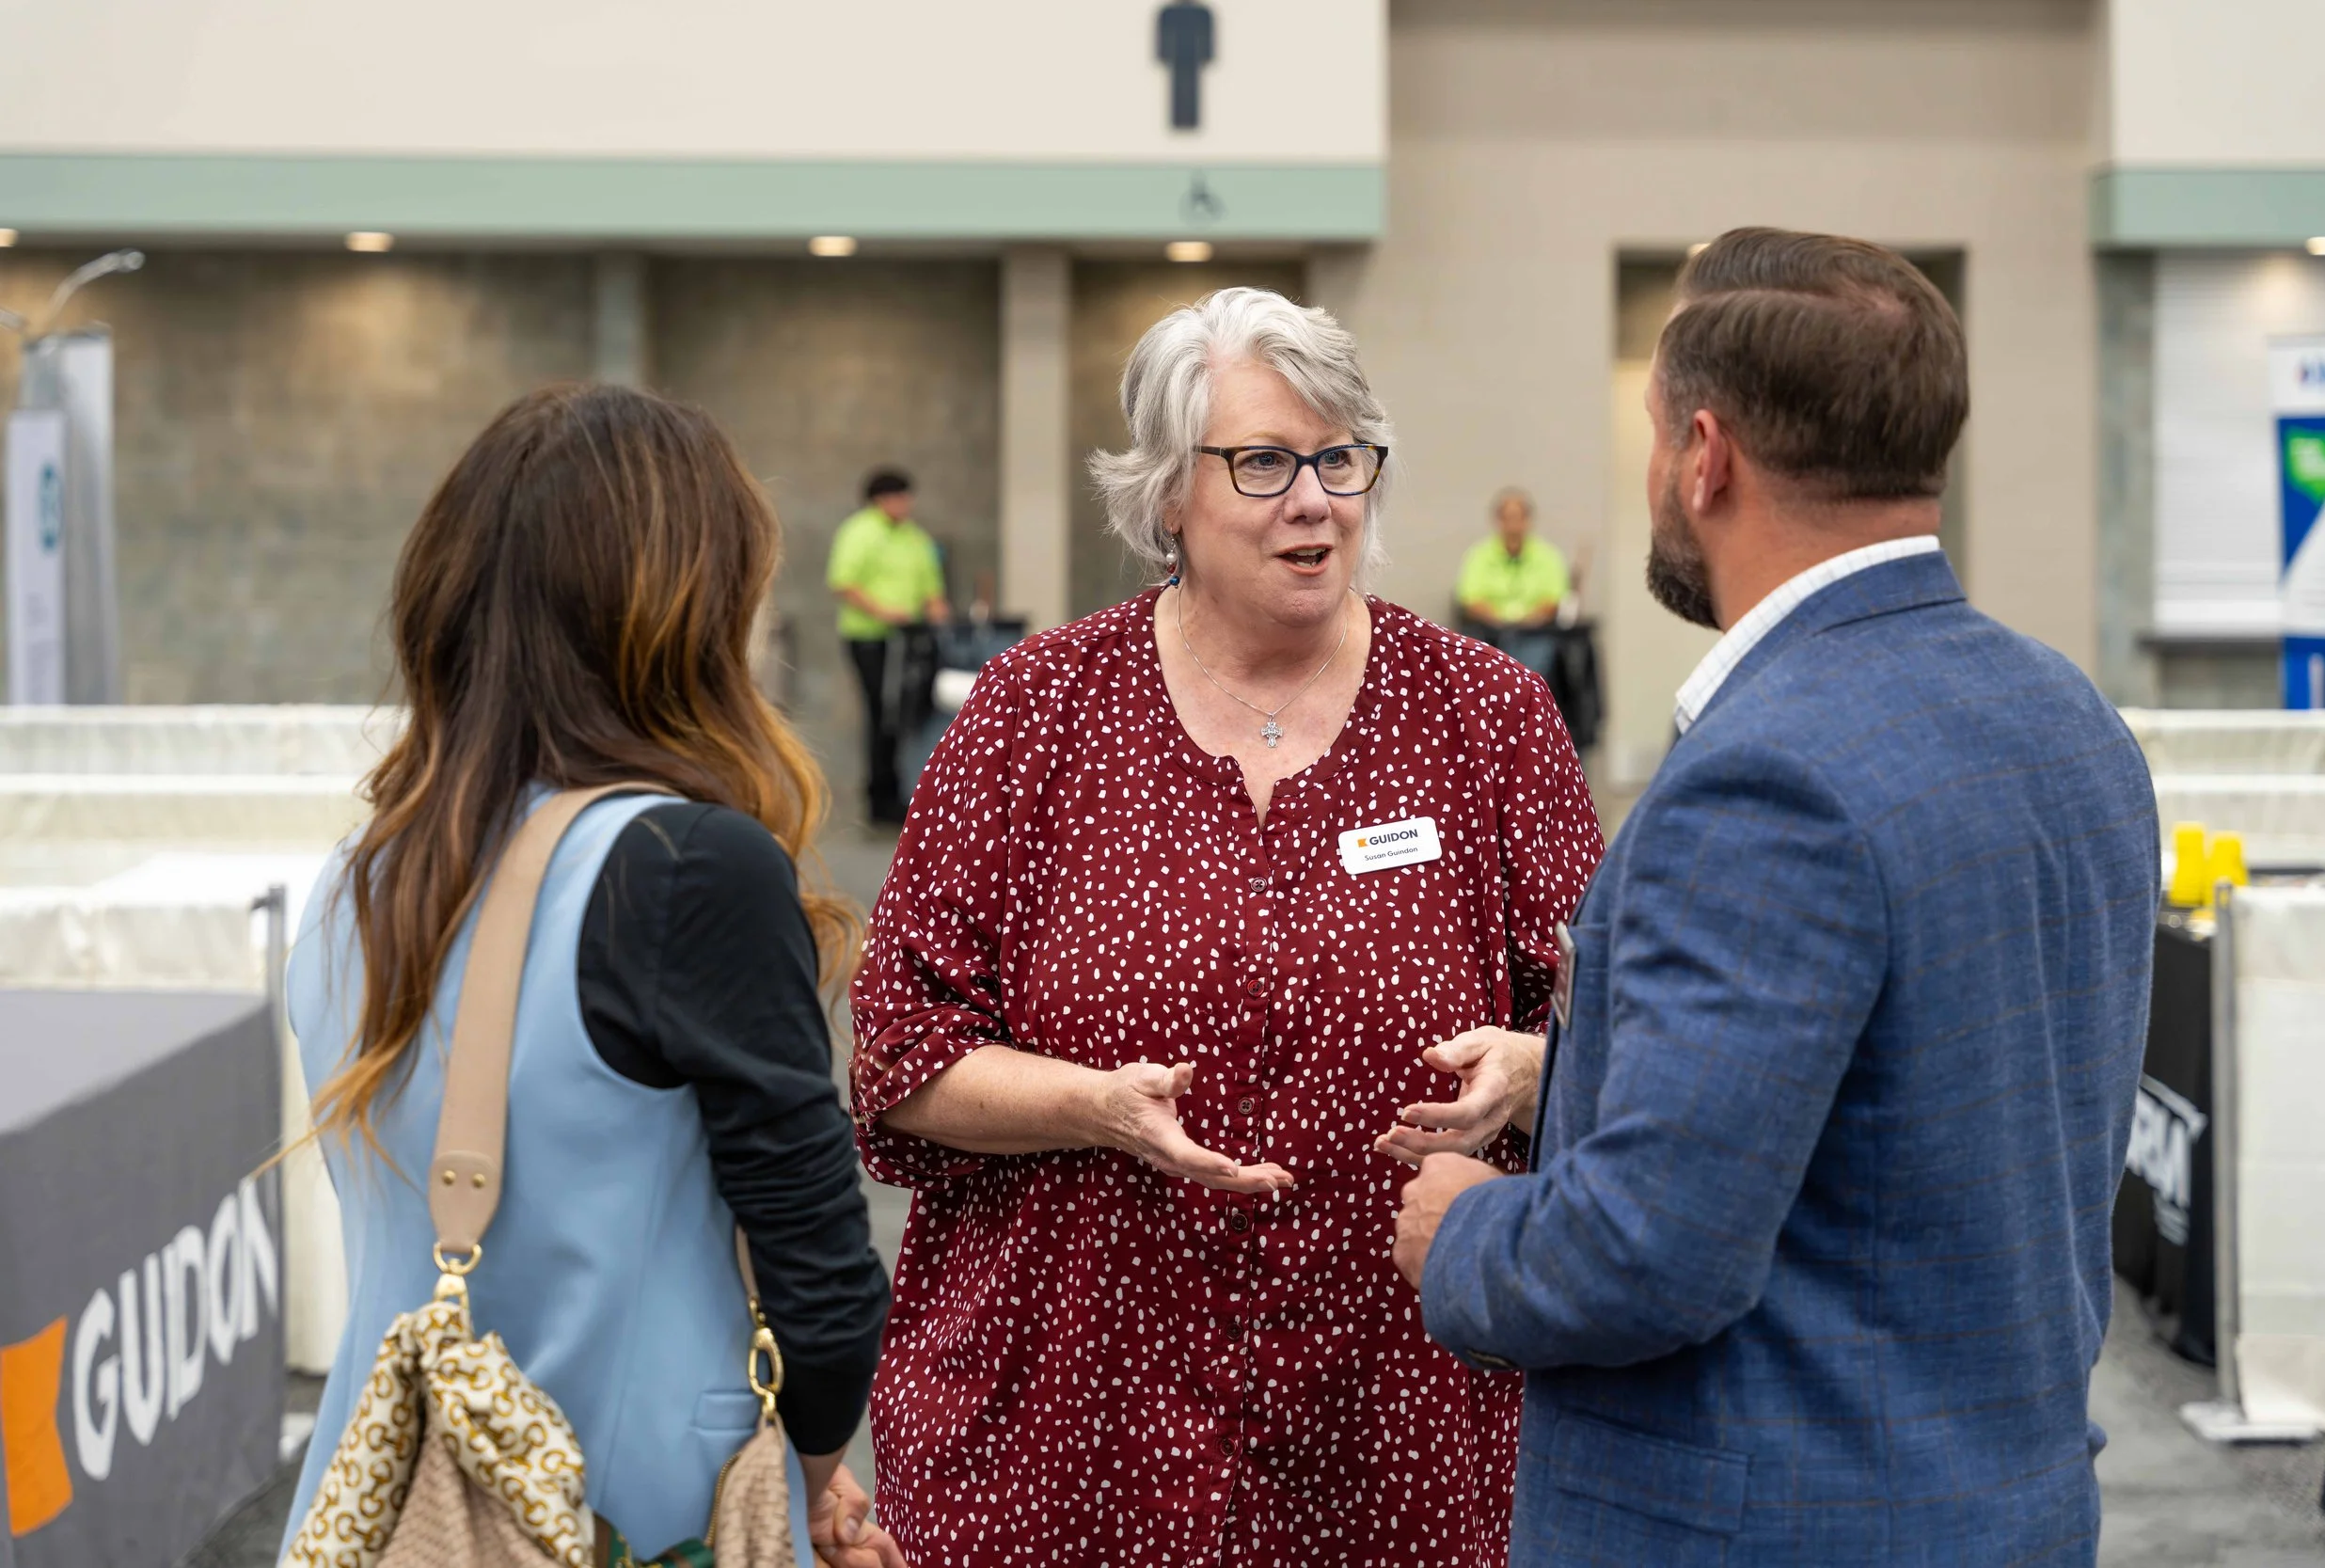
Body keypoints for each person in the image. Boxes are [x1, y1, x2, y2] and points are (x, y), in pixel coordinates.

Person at [1390, 229, 2160, 1564]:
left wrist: (1465, 1228)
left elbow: (1647, 1252)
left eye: (1652, 442)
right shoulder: (2067, 716)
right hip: (2006, 1502)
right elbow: (1917, 1082)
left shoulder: (1763, 774)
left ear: (1707, 453)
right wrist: (1566, 1062)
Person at [849, 287, 1605, 1565]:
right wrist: (1092, 1103)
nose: (1312, 499)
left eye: (1340, 457)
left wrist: (1537, 1073)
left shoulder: (1487, 720)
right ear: (1165, 496)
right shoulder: (1038, 712)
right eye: (1261, 461)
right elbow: (899, 1059)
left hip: (1396, 1428)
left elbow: (1621, 1043)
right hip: (1073, 1438)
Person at [280, 386, 903, 1568]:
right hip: (618, 1514)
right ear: (685, 610)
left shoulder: (352, 881)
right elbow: (819, 1270)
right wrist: (818, 1485)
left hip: (385, 1509)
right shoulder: (681, 868)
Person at [828, 468, 949, 827]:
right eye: (898, 497)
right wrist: (885, 612)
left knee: (907, 714)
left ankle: (905, 789)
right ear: (880, 499)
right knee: (881, 713)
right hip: (870, 638)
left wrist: (937, 609)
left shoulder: (914, 536)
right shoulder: (859, 532)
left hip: (909, 639)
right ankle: (879, 796)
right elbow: (843, 583)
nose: (904, 504)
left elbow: (931, 586)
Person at [1455, 486, 1573, 652]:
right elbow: (1471, 600)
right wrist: (1502, 624)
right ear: (1498, 520)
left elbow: (1553, 601)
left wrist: (1525, 623)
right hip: (1489, 634)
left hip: (1536, 634)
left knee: (1538, 651)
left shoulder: (1549, 556)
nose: (1513, 524)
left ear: (1528, 520)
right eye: (1508, 517)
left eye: (1518, 517)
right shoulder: (1478, 555)